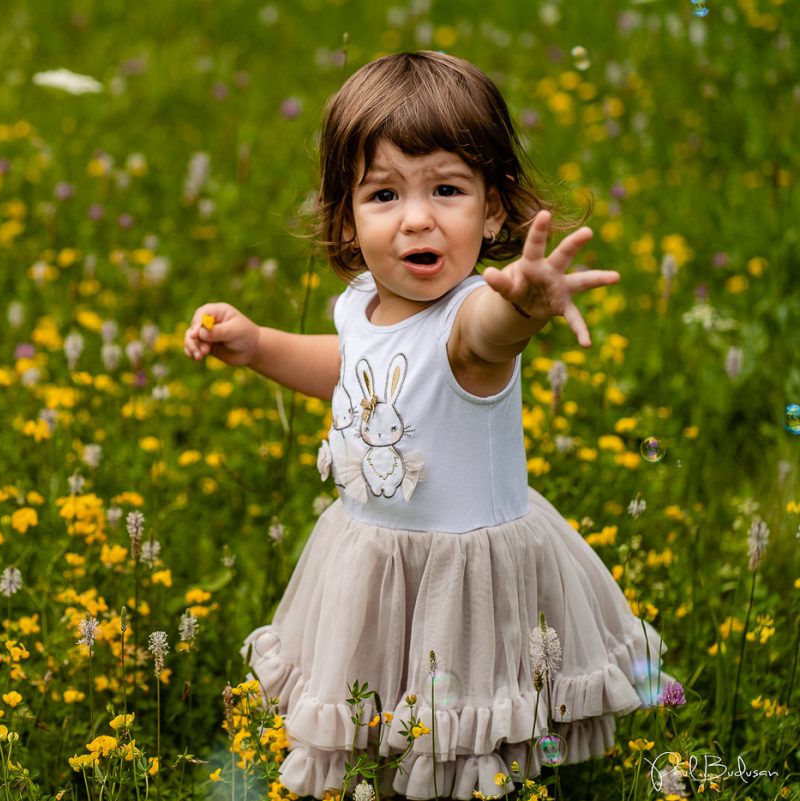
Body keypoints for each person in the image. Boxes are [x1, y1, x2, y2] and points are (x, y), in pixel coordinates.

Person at [183, 51, 673, 800]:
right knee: (373, 695)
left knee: (455, 729)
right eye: (384, 194)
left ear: (495, 209)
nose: (417, 216)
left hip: (459, 576)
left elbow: (486, 335)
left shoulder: (469, 321)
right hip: (372, 556)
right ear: (348, 215)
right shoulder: (360, 303)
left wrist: (525, 304)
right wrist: (258, 347)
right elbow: (353, 369)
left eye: (447, 188)